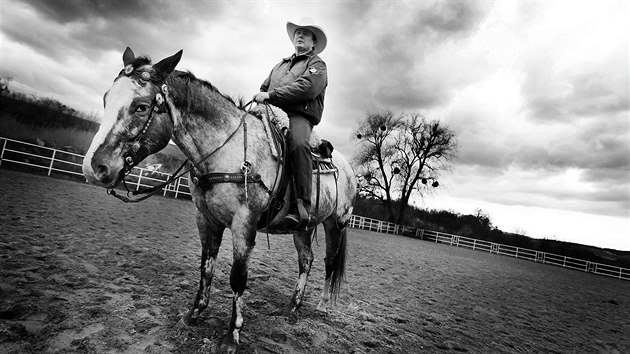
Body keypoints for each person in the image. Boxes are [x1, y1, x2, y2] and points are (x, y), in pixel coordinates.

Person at [253, 18, 328, 227]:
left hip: (298, 115)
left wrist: (271, 95)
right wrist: (263, 96)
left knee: (298, 144)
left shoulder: (317, 64)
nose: (300, 36)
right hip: (271, 110)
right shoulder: (280, 65)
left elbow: (307, 88)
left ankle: (302, 206)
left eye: (305, 33)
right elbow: (264, 87)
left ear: (314, 43)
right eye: (297, 33)